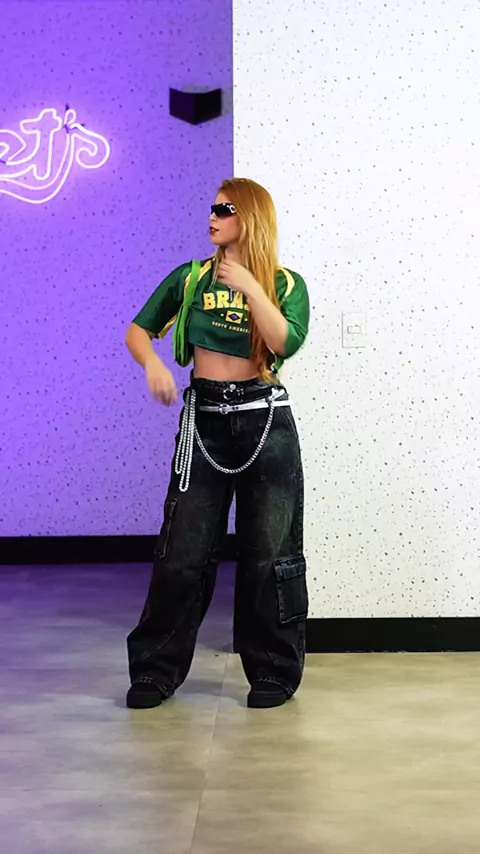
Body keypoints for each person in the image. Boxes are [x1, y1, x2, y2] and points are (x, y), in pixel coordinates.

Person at [125, 177, 309, 710]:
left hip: (264, 421)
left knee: (269, 553)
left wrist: (251, 287)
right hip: (203, 420)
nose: (213, 216)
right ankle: (155, 671)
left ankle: (273, 672)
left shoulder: (285, 284)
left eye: (225, 209)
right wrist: (153, 364)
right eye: (213, 208)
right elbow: (138, 330)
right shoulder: (190, 277)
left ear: (249, 218)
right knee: (182, 551)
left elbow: (285, 342)